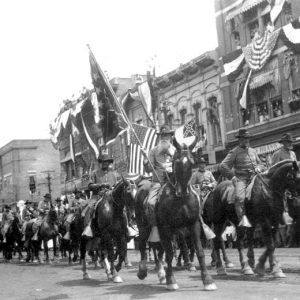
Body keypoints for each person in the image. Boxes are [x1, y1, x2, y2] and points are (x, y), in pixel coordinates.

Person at [219, 129, 265, 227]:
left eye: (247, 138)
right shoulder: (234, 152)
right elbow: (223, 165)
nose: (246, 140)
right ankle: (242, 221)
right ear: (239, 140)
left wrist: (259, 168)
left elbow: (261, 164)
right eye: (244, 138)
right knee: (240, 198)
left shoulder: (253, 151)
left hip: (255, 177)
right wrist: (232, 176)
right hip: (241, 179)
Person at [142, 125, 175, 233]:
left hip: (174, 183)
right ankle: (155, 227)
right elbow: (148, 169)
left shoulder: (175, 151)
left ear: (170, 137)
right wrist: (145, 159)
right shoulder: (153, 151)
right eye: (163, 135)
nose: (165, 137)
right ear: (160, 137)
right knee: (151, 203)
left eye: (167, 135)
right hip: (158, 183)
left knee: (194, 197)